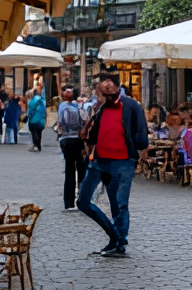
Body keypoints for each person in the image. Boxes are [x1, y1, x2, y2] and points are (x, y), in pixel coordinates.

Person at [76, 74, 148, 258]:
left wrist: (140, 147)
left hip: (123, 162)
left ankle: (119, 244)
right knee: (83, 201)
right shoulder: (100, 108)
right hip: (100, 161)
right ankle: (115, 236)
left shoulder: (131, 105)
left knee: (119, 204)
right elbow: (92, 134)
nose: (107, 91)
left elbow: (141, 131)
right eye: (103, 88)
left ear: (117, 88)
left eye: (110, 87)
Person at [58, 87, 89, 210]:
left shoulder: (62, 106)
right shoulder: (80, 107)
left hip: (67, 139)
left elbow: (62, 121)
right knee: (81, 170)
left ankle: (69, 201)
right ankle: (82, 199)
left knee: (70, 170)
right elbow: (85, 120)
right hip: (77, 139)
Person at [26, 87, 46, 152]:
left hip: (33, 119)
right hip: (41, 120)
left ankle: (35, 146)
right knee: (39, 133)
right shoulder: (42, 100)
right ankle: (39, 146)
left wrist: (28, 116)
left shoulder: (32, 101)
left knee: (34, 133)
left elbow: (30, 111)